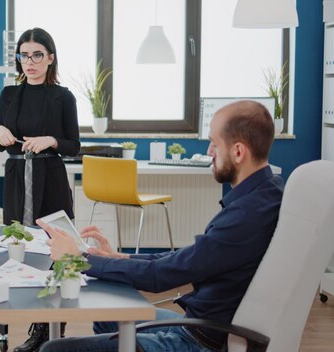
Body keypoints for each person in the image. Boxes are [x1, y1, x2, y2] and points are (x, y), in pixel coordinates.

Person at [37, 100, 285, 352]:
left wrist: (79, 257)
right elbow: (184, 259)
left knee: (53, 350)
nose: (209, 151)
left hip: (200, 340)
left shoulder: (245, 216)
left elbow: (160, 276)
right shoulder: (263, 194)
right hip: (198, 325)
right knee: (108, 312)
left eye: (214, 143)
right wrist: (118, 257)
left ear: (238, 152)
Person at [0, 27, 80, 352]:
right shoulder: (9, 94)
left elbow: (74, 145)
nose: (30, 62)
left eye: (37, 55)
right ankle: (28, 326)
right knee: (20, 249)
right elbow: (1, 143)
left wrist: (52, 140)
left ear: (50, 58)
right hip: (17, 177)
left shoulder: (63, 96)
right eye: (24, 55)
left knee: (58, 254)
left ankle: (47, 332)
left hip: (50, 178)